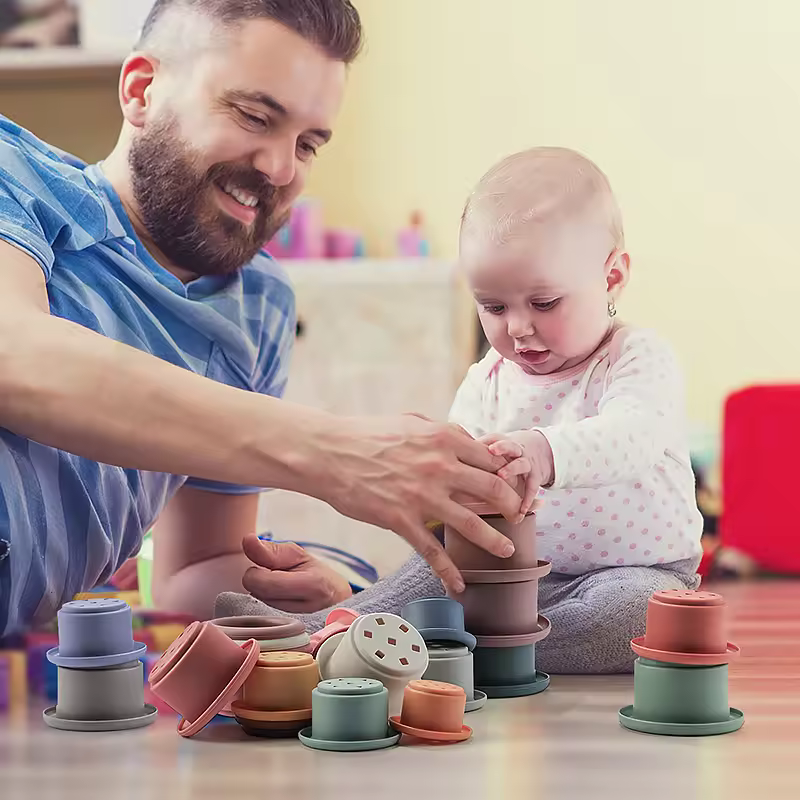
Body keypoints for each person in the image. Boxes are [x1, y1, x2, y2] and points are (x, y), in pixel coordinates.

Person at [0, 0, 528, 639]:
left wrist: (306, 589)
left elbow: (189, 571)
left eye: (308, 144)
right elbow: (15, 356)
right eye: (254, 115)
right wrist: (338, 454)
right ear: (142, 90)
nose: (280, 169)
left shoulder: (257, 305)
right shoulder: (15, 177)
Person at [218, 147, 704, 673]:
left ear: (611, 279)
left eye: (544, 303)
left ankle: (462, 649)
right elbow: (454, 478)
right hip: (507, 573)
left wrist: (542, 451)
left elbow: (632, 436)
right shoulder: (487, 378)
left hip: (633, 571)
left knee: (640, 617)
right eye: (494, 307)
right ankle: (323, 631)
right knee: (434, 569)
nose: (517, 328)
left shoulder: (634, 358)